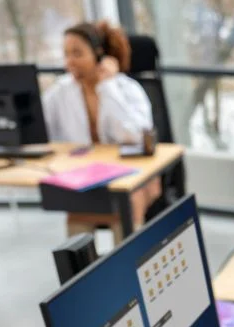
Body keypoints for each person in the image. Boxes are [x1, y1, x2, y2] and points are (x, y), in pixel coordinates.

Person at [43, 20, 161, 238]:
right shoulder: (60, 92)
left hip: (133, 175)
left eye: (77, 53)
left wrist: (107, 86)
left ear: (98, 54)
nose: (70, 62)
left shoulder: (126, 89)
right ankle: (83, 270)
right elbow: (40, 130)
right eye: (66, 54)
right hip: (88, 176)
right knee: (77, 211)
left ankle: (126, 267)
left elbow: (134, 135)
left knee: (127, 200)